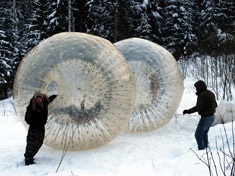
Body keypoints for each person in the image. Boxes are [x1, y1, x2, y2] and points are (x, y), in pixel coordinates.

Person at [24, 91, 57, 165]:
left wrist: (56, 96)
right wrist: (35, 123)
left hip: (41, 127)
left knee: (39, 143)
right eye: (37, 98)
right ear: (35, 99)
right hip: (34, 128)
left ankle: (31, 156)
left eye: (40, 98)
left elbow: (50, 99)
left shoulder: (45, 103)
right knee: (31, 143)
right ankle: (28, 159)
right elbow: (27, 119)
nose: (39, 99)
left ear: (42, 98)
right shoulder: (31, 107)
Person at [183, 80, 217, 150]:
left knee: (198, 135)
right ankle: (206, 147)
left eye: (196, 88)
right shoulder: (210, 93)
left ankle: (201, 149)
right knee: (204, 133)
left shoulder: (202, 95)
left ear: (200, 87)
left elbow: (198, 107)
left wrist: (187, 111)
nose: (196, 89)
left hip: (206, 118)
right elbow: (215, 105)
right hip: (212, 117)